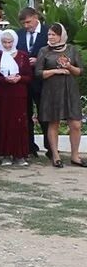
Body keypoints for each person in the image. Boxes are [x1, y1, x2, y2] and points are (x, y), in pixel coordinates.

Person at [36, 23, 84, 168]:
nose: (50, 37)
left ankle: (75, 156)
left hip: (70, 90)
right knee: (53, 122)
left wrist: (69, 66)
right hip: (52, 91)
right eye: (49, 34)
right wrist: (55, 71)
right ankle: (55, 156)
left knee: (75, 124)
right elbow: (38, 73)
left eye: (54, 35)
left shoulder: (71, 50)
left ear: (61, 36)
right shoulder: (44, 50)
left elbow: (80, 71)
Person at [0, 30, 33, 166]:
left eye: (10, 42)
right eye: (4, 42)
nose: (8, 45)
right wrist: (5, 80)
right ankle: (5, 154)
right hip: (3, 95)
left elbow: (29, 76)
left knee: (19, 123)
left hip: (18, 95)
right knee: (4, 123)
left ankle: (19, 154)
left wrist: (19, 78)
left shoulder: (23, 55)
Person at [16, 7, 49, 157]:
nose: (26, 26)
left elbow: (55, 53)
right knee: (25, 114)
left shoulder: (48, 32)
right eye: (23, 23)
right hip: (24, 81)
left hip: (42, 81)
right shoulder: (19, 34)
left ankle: (50, 147)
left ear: (36, 17)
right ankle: (29, 147)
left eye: (28, 22)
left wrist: (39, 60)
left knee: (45, 114)